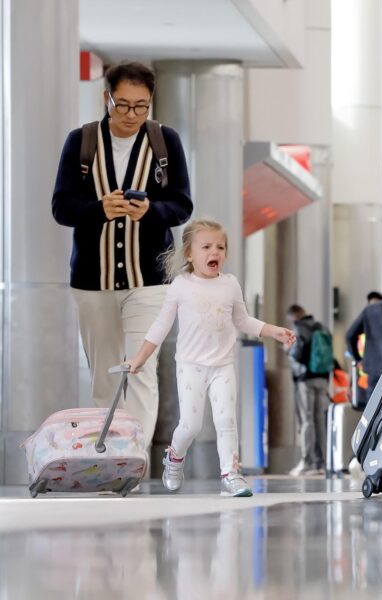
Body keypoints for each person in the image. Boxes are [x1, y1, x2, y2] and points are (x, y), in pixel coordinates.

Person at [52, 62, 192, 451]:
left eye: (141, 106)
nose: (131, 115)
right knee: (105, 377)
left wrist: (150, 212)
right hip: (92, 283)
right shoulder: (80, 142)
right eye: (123, 105)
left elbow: (182, 205)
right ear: (106, 98)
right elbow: (61, 208)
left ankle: (134, 458)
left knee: (142, 371)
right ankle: (109, 457)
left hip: (150, 281)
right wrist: (100, 208)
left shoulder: (166, 142)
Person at [125, 219, 296, 496]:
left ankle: (230, 474)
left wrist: (272, 331)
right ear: (190, 254)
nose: (214, 252)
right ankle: (174, 457)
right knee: (190, 426)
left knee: (226, 421)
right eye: (206, 246)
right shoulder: (180, 285)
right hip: (191, 366)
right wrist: (139, 358)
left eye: (220, 247)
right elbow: (160, 326)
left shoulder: (230, 284)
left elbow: (243, 320)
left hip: (222, 366)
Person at [286, 305, 332, 476]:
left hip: (305, 379)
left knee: (307, 420)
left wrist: (287, 350)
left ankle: (307, 461)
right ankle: (323, 462)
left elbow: (297, 354)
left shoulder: (299, 328)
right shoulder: (321, 327)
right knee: (320, 419)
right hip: (322, 378)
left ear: (294, 316)